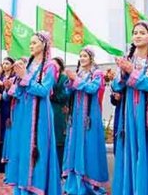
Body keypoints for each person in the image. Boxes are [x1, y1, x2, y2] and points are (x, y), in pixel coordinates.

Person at [112, 21, 148, 195]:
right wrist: (123, 72)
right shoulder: (128, 59)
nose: (137, 36)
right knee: (132, 151)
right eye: (135, 32)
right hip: (130, 112)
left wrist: (133, 72)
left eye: (142, 33)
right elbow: (116, 85)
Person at [4, 31, 62, 195]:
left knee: (38, 148)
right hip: (23, 112)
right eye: (30, 43)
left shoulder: (50, 66)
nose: (31, 46)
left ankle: (37, 187)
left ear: (44, 44)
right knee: (23, 148)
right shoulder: (28, 65)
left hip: (40, 114)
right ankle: (23, 187)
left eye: (34, 42)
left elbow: (44, 90)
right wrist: (11, 86)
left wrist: (25, 77)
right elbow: (20, 92)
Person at [62, 47, 109, 194]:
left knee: (89, 146)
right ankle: (73, 183)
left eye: (85, 56)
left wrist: (76, 80)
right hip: (76, 116)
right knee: (74, 145)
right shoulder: (79, 73)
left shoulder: (97, 73)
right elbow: (68, 92)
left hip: (90, 116)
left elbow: (93, 88)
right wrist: (70, 81)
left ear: (91, 58)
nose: (82, 58)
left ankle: (90, 184)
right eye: (80, 56)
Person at [50, 56, 70, 170]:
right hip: (49, 110)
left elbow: (66, 94)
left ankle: (60, 168)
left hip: (59, 111)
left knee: (59, 139)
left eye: (55, 64)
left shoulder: (64, 78)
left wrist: (52, 96)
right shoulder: (48, 77)